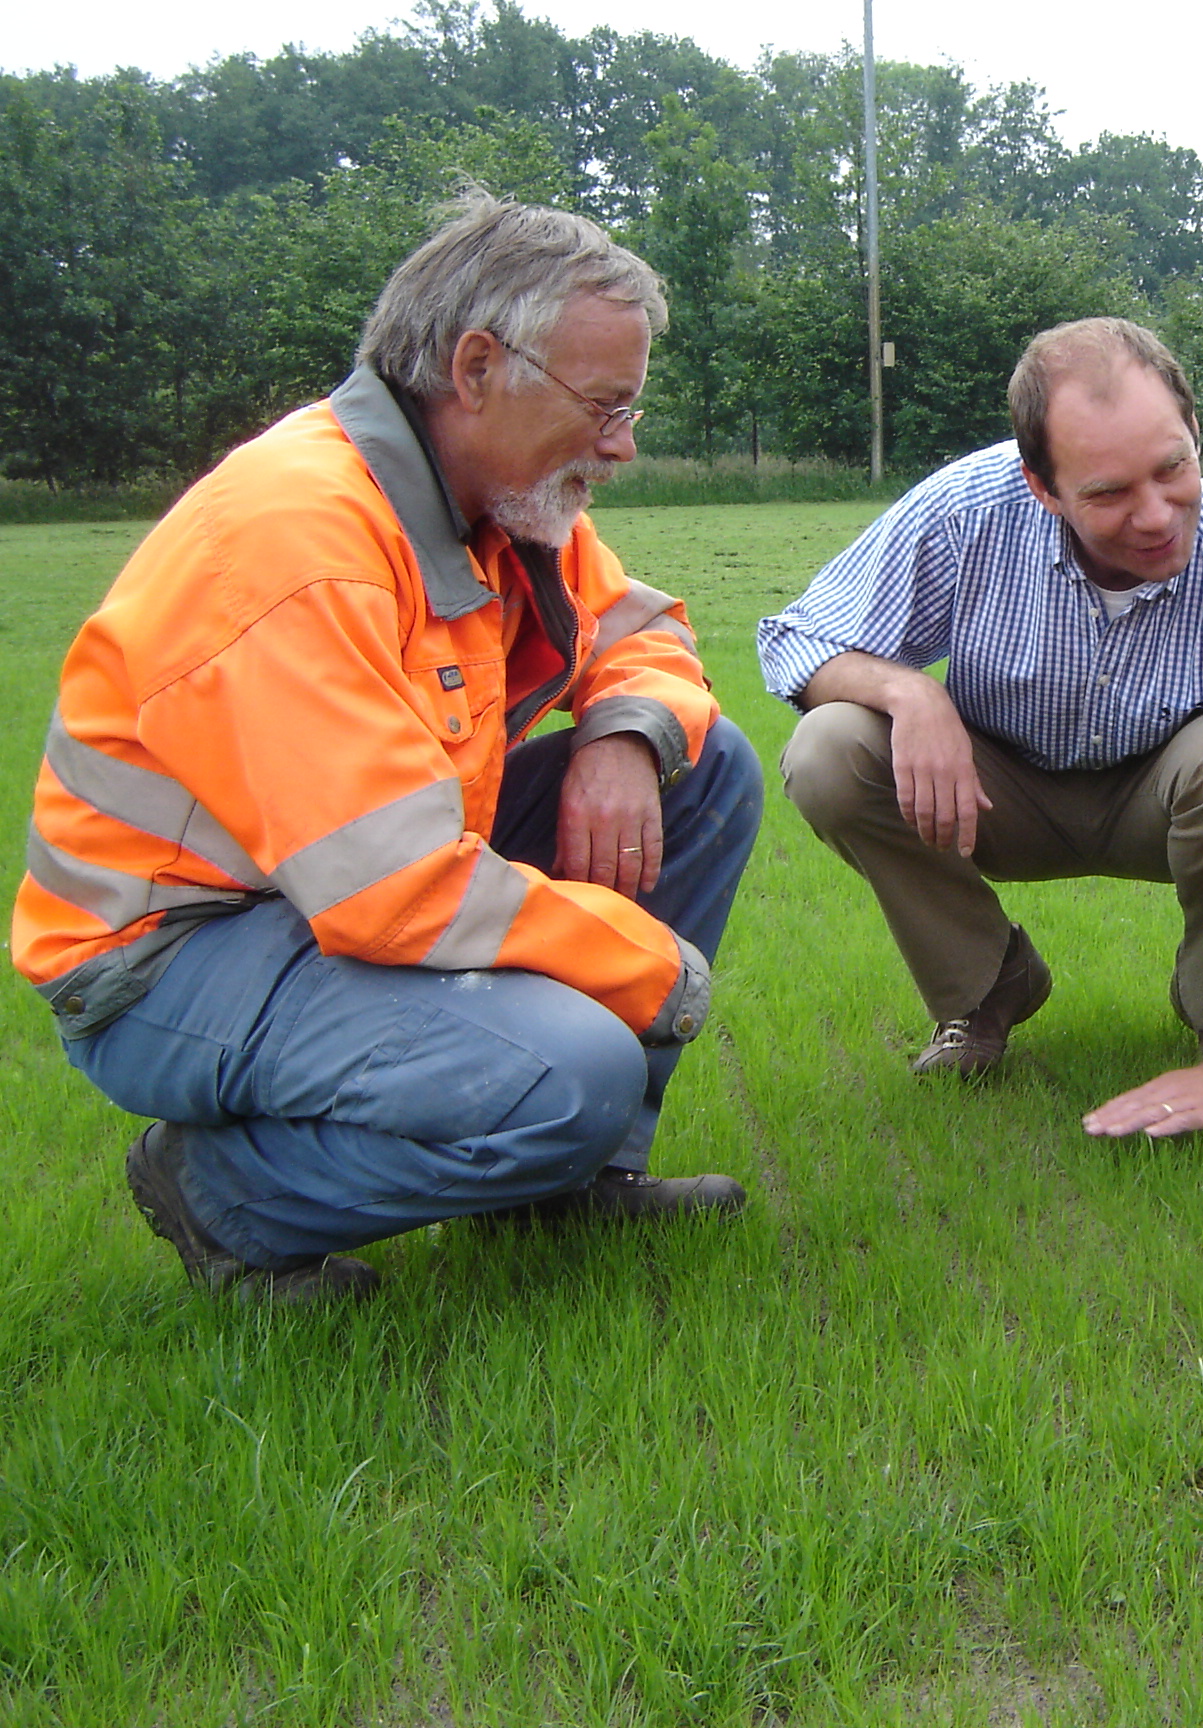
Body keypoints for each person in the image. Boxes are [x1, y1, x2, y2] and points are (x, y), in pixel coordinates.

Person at [14, 193, 764, 1303]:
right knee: (577, 1067)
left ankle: (568, 1183)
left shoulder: (502, 499)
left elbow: (639, 630)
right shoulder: (299, 541)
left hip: (333, 883)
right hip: (168, 954)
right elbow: (392, 888)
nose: (624, 444)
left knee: (703, 767)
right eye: (606, 405)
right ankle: (219, 1194)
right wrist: (653, 970)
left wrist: (623, 736)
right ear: (474, 369)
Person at [758, 318, 1203, 1134]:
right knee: (828, 748)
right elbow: (797, 637)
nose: (1158, 515)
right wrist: (912, 695)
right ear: (1041, 486)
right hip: (996, 799)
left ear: (1196, 432)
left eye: (1173, 468)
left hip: (1164, 805)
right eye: (1108, 492)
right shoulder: (966, 509)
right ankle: (987, 985)